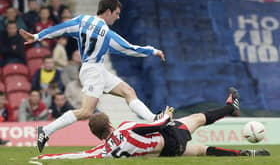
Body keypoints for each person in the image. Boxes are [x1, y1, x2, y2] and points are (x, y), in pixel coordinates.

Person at [19, 0, 165, 153]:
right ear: (108, 11)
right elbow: (129, 48)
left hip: (95, 69)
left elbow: (61, 28)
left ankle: (154, 120)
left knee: (128, 91)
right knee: (86, 112)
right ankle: (46, 131)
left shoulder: (82, 20)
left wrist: (37, 36)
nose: (118, 17)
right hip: (93, 71)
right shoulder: (106, 34)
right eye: (116, 13)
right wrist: (153, 50)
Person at [36, 88, 270, 160]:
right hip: (169, 137)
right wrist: (166, 114)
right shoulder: (127, 128)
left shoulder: (103, 150)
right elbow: (157, 125)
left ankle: (246, 153)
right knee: (197, 118)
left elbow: (80, 155)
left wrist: (47, 158)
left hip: (168, 153)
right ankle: (231, 107)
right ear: (108, 122)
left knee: (200, 151)